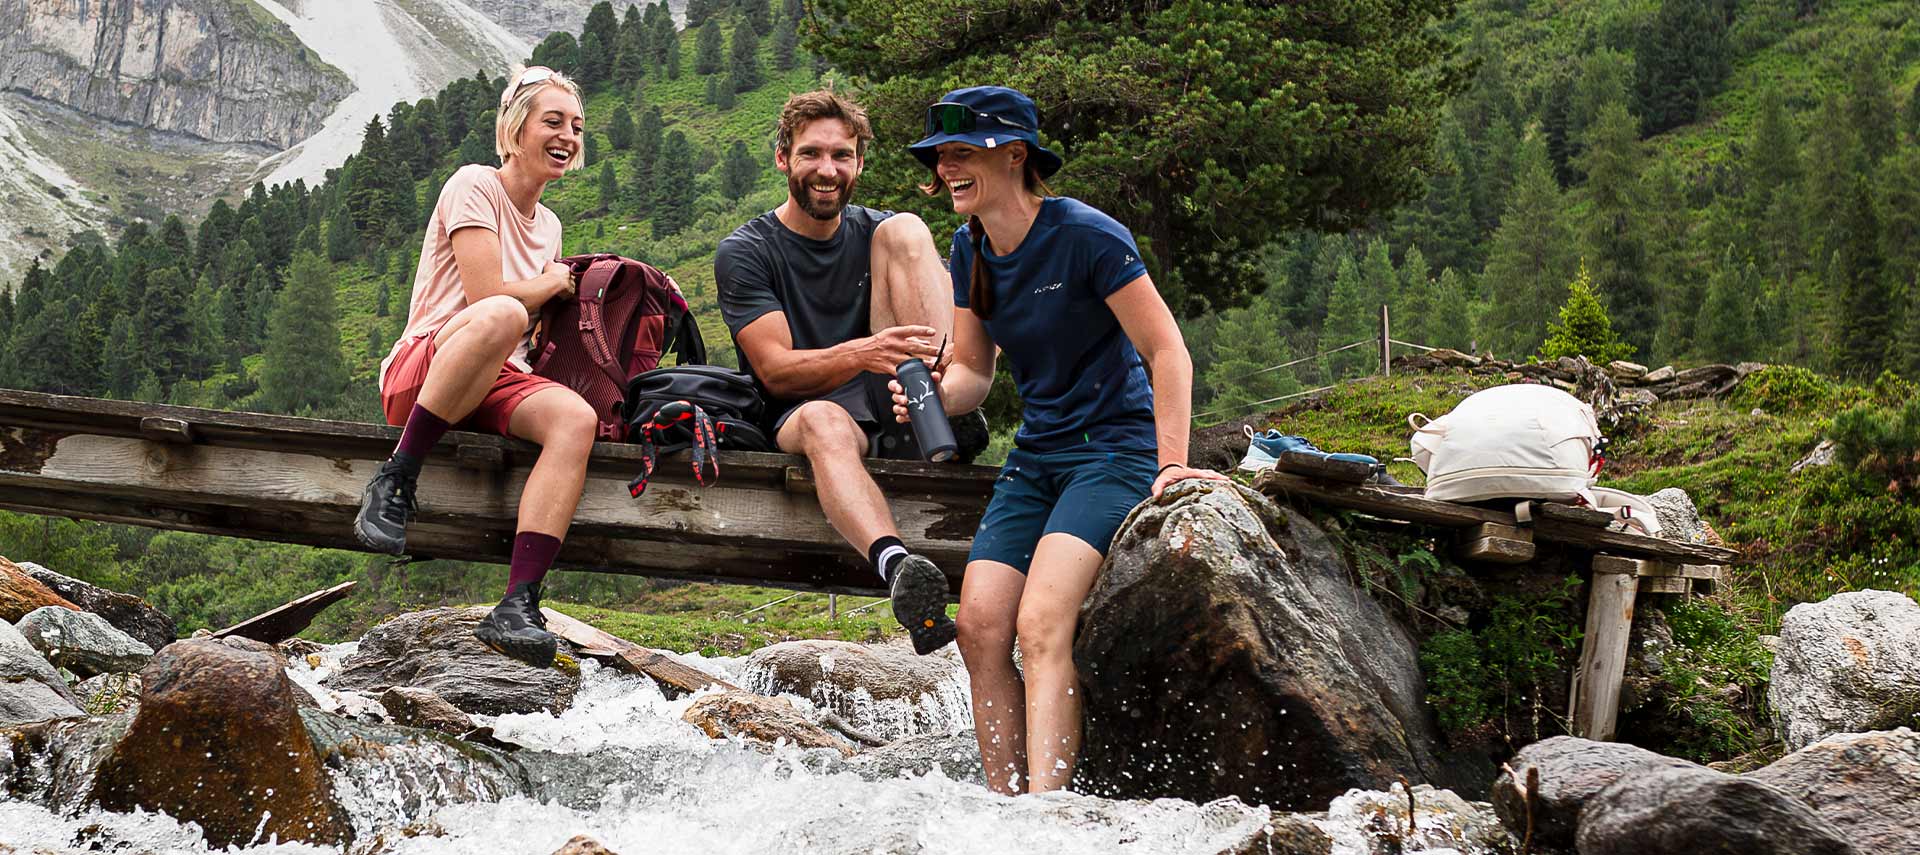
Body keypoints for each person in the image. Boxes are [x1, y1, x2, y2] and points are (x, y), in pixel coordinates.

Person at [895, 85, 1229, 794]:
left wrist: (1172, 464)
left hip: (1113, 449)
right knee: (982, 626)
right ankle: (1002, 805)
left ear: (1015, 154)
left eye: (963, 152)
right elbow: (975, 375)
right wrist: (925, 394)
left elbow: (1167, 351)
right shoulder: (970, 245)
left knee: (1041, 620)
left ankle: (1050, 818)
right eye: (939, 156)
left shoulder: (1087, 236)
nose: (946, 168)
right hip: (1038, 454)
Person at [354, 66, 597, 669]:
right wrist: (549, 284)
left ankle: (518, 604)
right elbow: (490, 295)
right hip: (429, 362)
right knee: (498, 316)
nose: (567, 135)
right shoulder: (473, 185)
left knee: (576, 419)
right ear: (515, 130)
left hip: (496, 374)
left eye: (576, 126)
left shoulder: (552, 225)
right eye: (552, 121)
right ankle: (397, 478)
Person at [715, 90, 966, 656]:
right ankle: (899, 569)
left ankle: (938, 410)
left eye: (842, 156)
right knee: (826, 421)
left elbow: (959, 317)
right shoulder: (748, 250)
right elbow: (777, 372)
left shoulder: (881, 236)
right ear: (782, 158)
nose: (827, 171)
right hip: (805, 411)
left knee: (905, 228)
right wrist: (863, 352)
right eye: (810, 154)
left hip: (894, 399)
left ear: (858, 163)